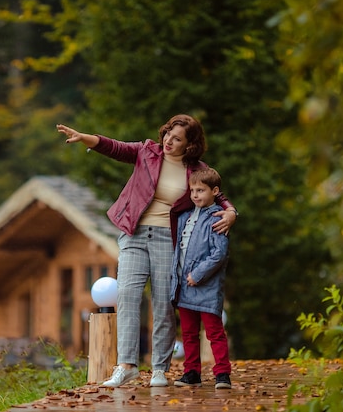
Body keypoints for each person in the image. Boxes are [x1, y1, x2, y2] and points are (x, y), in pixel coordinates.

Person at [56, 114, 237, 387]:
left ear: (190, 145)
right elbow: (115, 147)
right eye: (168, 134)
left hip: (168, 239)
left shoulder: (196, 169)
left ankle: (159, 370)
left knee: (163, 303)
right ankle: (126, 365)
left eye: (177, 139)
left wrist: (231, 212)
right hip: (135, 234)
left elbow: (216, 194)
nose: (168, 141)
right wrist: (86, 138)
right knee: (128, 295)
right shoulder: (147, 152)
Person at [171, 167, 232, 389]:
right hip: (185, 286)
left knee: (214, 332)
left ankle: (223, 374)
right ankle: (192, 371)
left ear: (215, 191)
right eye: (192, 190)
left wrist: (197, 275)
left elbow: (219, 253)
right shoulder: (185, 218)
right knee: (188, 333)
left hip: (205, 286)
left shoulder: (218, 217)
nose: (195, 195)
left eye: (201, 190)